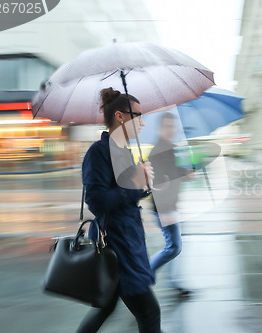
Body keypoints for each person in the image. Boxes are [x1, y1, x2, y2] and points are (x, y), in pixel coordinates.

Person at [76, 88, 159, 333]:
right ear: (121, 116)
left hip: (129, 239)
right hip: (116, 244)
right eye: (138, 115)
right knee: (149, 312)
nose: (143, 122)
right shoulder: (99, 152)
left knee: (106, 306)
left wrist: (145, 183)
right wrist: (135, 185)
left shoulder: (123, 152)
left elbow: (130, 193)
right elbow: (97, 200)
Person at [149, 112, 194, 296]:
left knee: (173, 247)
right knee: (173, 247)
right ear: (160, 128)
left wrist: (186, 173)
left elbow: (173, 172)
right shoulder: (158, 151)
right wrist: (164, 210)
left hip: (171, 207)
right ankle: (145, 274)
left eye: (172, 126)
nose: (170, 130)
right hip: (164, 208)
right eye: (167, 126)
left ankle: (175, 283)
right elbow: (158, 183)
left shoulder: (170, 148)